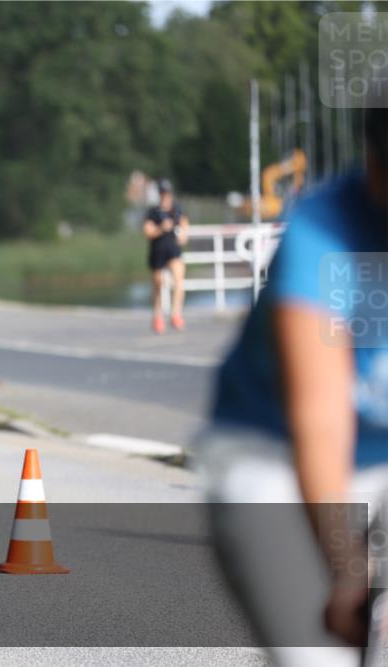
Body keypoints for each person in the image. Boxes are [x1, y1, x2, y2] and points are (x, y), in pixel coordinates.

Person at [197, 98, 388, 666]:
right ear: (375, 164)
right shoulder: (323, 231)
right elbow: (322, 424)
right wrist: (351, 573)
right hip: (272, 457)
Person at [142, 179, 190, 333]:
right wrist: (161, 229)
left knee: (178, 279)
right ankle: (157, 315)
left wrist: (183, 234)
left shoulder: (176, 209)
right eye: (163, 193)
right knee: (158, 283)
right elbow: (147, 231)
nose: (165, 196)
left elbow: (184, 224)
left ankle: (175, 313)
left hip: (173, 250)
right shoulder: (153, 212)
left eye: (167, 193)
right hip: (158, 251)